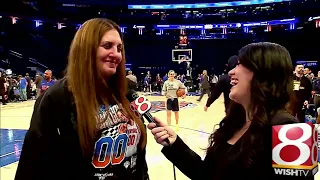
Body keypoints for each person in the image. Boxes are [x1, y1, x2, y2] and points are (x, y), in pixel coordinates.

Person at [148, 42, 310, 180]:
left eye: (240, 64)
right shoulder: (234, 122)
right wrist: (175, 144)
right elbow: (207, 174)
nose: (232, 71)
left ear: (263, 73)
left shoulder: (292, 131)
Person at [15, 18, 149, 180]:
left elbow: (139, 159)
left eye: (119, 48)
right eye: (107, 46)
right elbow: (32, 166)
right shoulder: (57, 97)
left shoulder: (126, 92)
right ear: (87, 49)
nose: (116, 54)